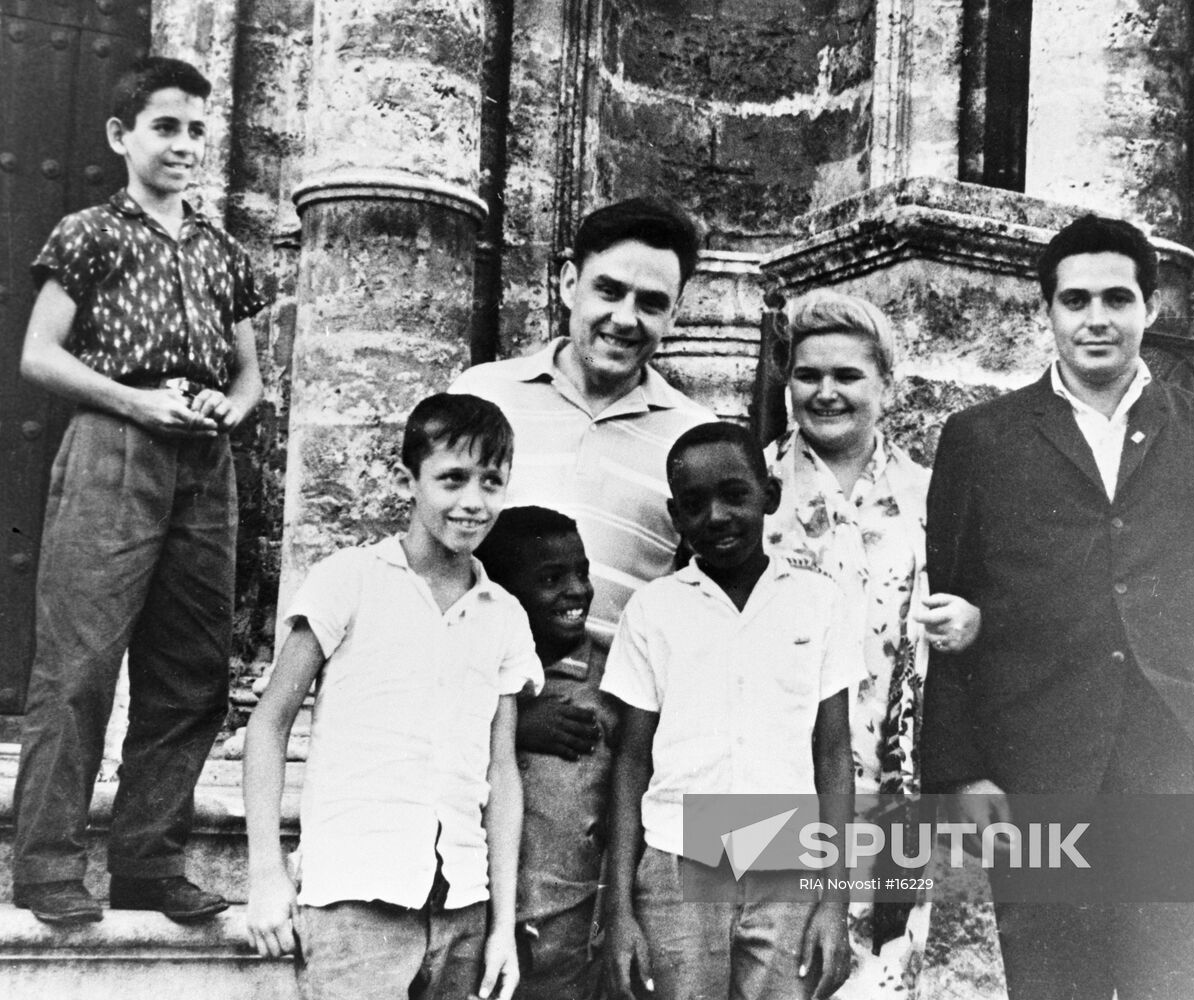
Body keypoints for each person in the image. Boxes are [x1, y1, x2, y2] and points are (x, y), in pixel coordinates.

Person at [921, 214, 1194, 999]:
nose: (1095, 319)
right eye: (1074, 300)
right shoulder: (981, 440)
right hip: (1040, 770)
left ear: (1149, 308)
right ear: (1047, 312)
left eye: (1115, 298)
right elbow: (951, 613)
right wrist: (961, 770)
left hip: (1187, 767)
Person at [12, 56, 266, 925]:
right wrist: (138, 401)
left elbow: (250, 377)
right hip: (112, 449)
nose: (184, 144)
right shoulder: (88, 232)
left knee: (191, 674)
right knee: (80, 665)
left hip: (203, 464)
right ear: (123, 136)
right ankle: (46, 865)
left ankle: (148, 865)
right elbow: (39, 355)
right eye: (166, 127)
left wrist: (221, 413)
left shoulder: (223, 248)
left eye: (197, 129)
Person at [243, 394, 543, 1000]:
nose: (473, 502)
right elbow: (269, 726)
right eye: (452, 479)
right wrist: (266, 871)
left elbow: (501, 771)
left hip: (461, 902)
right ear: (407, 480)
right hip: (356, 898)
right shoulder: (348, 580)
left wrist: (501, 926)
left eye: (492, 481)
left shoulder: (504, 614)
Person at [762, 290, 981, 994]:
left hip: (894, 800)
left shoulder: (931, 496)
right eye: (807, 374)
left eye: (848, 375)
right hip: (773, 797)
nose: (825, 392)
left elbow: (987, 620)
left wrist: (972, 622)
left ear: (886, 386)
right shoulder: (749, 492)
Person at [602, 421, 857, 1000]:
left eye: (734, 495)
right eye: (694, 505)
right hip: (679, 856)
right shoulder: (654, 610)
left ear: (769, 495)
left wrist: (835, 903)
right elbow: (631, 761)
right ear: (675, 515)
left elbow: (834, 753)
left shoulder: (818, 601)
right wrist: (619, 911)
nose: (715, 516)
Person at [449, 196, 713, 654]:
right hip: (473, 681)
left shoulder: (696, 439)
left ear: (674, 313)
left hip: (609, 705)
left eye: (651, 303)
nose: (626, 319)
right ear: (570, 283)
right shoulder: (482, 396)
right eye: (609, 291)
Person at [474, 507, 615, 1000]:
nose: (576, 590)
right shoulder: (472, 666)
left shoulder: (612, 677)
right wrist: (512, 725)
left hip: (571, 938)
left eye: (582, 573)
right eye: (552, 579)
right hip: (477, 926)